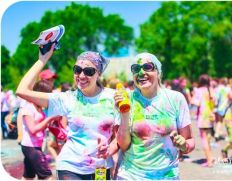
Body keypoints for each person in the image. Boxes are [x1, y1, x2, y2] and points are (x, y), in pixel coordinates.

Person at [16, 44, 120, 180]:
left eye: (88, 71)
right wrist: (43, 59)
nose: (81, 75)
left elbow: (119, 136)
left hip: (101, 168)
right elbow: (21, 91)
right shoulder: (66, 98)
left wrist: (110, 149)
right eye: (77, 70)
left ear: (99, 73)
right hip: (70, 167)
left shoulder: (113, 97)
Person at [114, 52, 195, 180]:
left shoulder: (175, 99)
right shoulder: (126, 98)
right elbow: (123, 145)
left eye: (147, 67)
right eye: (136, 69)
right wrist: (124, 113)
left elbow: (190, 141)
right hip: (131, 175)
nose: (141, 73)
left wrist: (184, 145)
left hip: (166, 176)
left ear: (158, 73)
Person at [20, 80, 60, 180]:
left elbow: (40, 125)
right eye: (47, 95)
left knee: (28, 177)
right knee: (48, 177)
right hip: (31, 147)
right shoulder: (28, 107)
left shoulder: (38, 107)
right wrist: (49, 119)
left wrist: (51, 124)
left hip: (34, 146)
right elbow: (33, 130)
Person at [191, 74, 215, 167]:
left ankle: (209, 161)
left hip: (202, 117)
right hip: (210, 117)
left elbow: (195, 102)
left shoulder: (199, 91)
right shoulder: (211, 90)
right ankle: (211, 157)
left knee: (204, 140)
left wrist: (191, 96)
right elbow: (214, 103)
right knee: (208, 139)